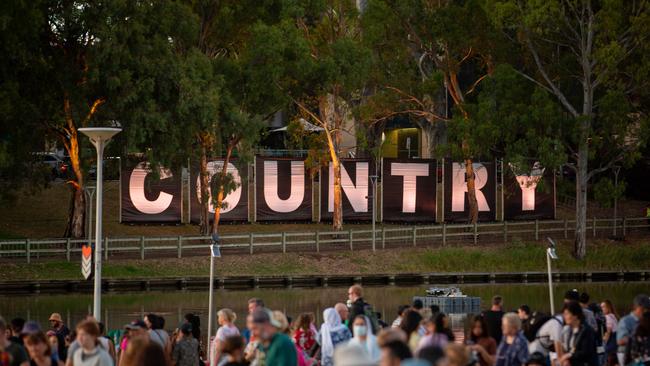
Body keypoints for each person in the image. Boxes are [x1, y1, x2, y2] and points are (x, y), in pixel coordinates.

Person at [558, 301, 598, 366]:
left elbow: (586, 352)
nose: (564, 317)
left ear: (575, 315)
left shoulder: (587, 330)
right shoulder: (569, 331)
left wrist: (569, 355)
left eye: (567, 314)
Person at [617, 294, 650, 366]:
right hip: (627, 355)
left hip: (643, 355)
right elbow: (620, 341)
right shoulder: (626, 321)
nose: (645, 311)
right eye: (643, 308)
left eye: (647, 309)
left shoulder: (647, 320)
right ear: (636, 307)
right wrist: (637, 337)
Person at [600, 300, 618, 365]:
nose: (602, 309)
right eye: (601, 307)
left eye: (604, 307)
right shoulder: (613, 316)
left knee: (606, 361)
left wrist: (604, 339)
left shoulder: (608, 317)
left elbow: (609, 331)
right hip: (616, 342)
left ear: (608, 307)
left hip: (611, 343)